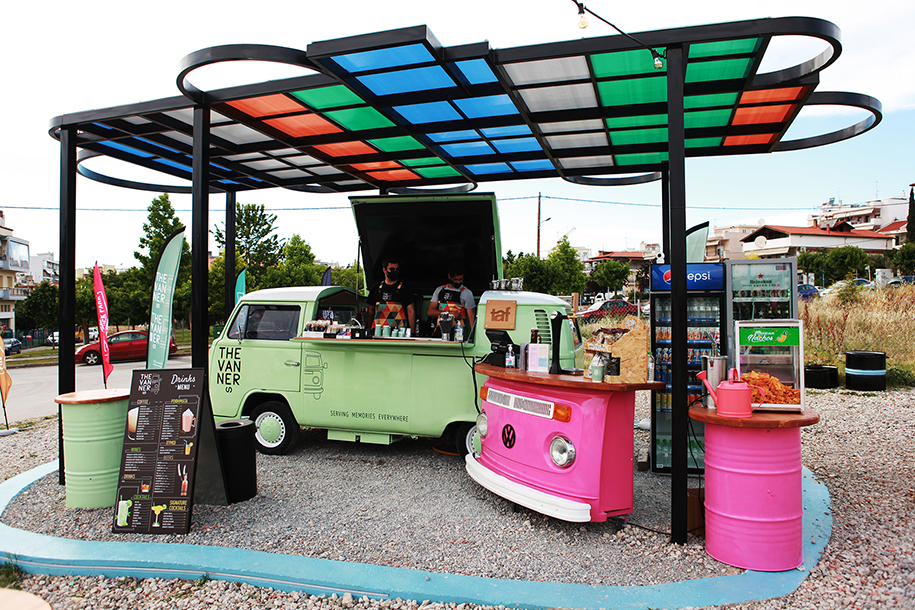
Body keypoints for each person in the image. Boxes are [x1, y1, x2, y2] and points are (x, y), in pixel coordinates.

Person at [367, 257, 416, 332]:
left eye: (397, 269)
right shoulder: (376, 288)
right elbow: (370, 310)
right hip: (378, 332)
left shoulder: (405, 288)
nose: (395, 271)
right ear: (384, 270)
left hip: (399, 333)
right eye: (392, 269)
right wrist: (368, 329)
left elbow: (411, 311)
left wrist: (412, 332)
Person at [427, 263, 475, 336]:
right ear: (449, 276)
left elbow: (472, 319)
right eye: (455, 279)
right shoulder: (439, 290)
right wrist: (449, 313)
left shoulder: (467, 293)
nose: (458, 282)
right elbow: (430, 312)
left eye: (460, 279)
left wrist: (472, 337)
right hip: (440, 330)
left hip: (458, 333)